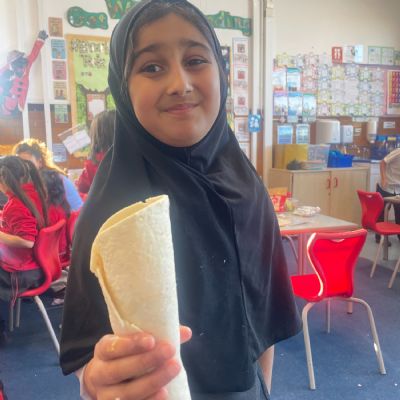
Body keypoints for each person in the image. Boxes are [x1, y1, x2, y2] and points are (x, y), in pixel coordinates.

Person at [60, 1, 301, 399]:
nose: (180, 83)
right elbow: (91, 354)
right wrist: (94, 379)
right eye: (152, 67)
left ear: (221, 72)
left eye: (195, 60)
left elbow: (262, 319)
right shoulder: (112, 207)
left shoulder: (245, 186)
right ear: (123, 87)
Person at [0, 156, 48, 315]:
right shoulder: (32, 194)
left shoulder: (16, 204)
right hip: (34, 265)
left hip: (22, 272)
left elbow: (27, 241)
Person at [13, 138, 83, 211]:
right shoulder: (21, 183)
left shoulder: (56, 180)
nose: (22, 167)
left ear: (39, 162)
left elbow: (78, 209)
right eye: (18, 163)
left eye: (27, 163)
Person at [75, 109, 116, 194]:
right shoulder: (132, 156)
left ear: (96, 135)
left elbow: (81, 190)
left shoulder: (94, 162)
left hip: (104, 202)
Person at [376, 147, 400, 242]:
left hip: (398, 187)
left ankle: (399, 234)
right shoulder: (398, 152)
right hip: (386, 185)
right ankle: (380, 236)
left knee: (399, 212)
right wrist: (383, 178)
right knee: (382, 213)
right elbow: (383, 162)